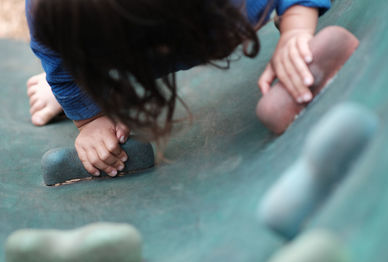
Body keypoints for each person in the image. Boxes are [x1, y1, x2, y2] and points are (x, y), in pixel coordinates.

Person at [25, 0, 330, 177]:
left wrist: (295, 29)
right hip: (101, 27)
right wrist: (89, 117)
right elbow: (52, 47)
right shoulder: (56, 14)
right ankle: (89, 81)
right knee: (78, 60)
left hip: (200, 21)